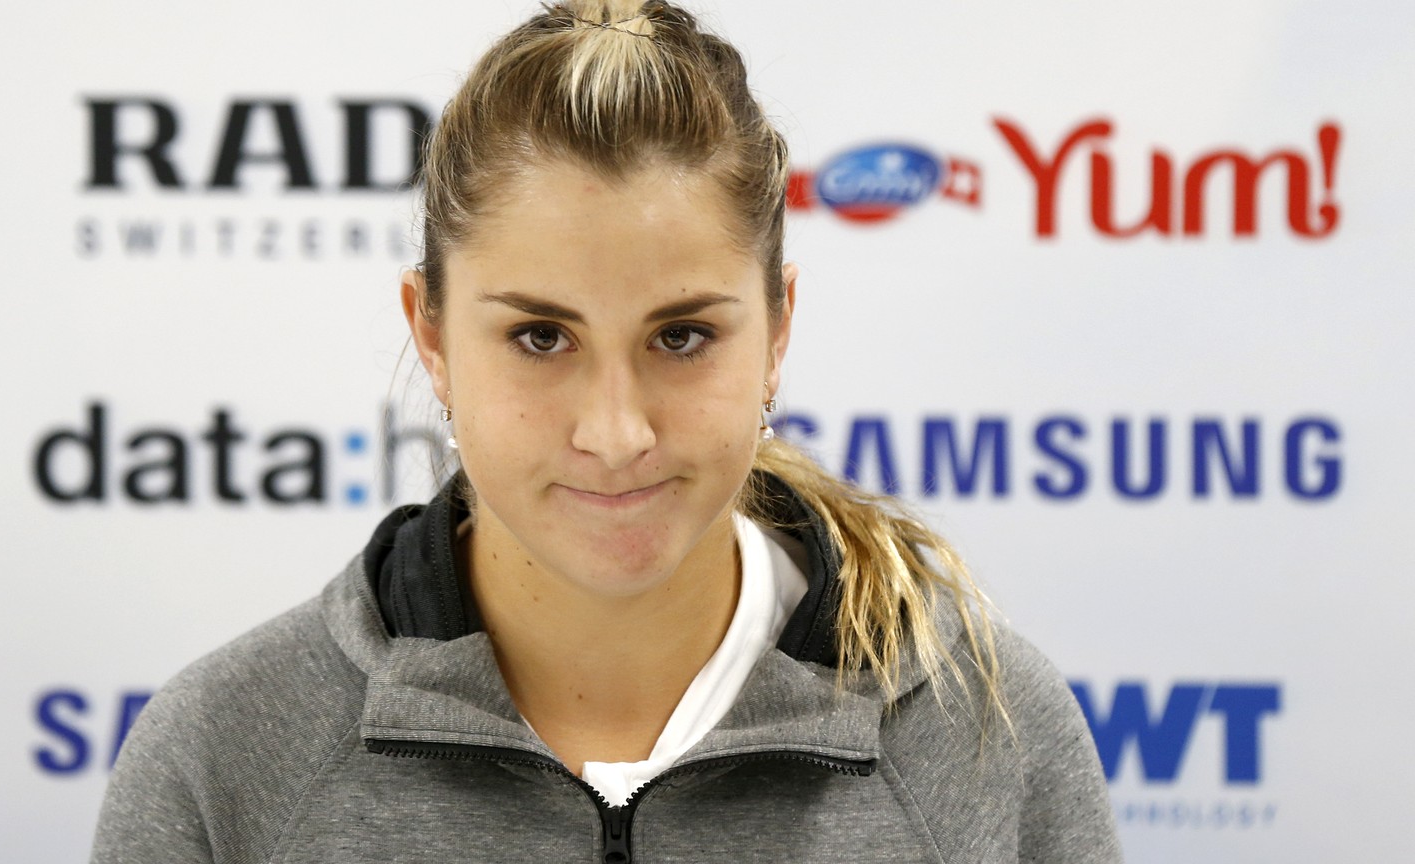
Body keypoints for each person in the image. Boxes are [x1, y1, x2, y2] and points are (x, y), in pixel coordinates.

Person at [91, 2, 1121, 861]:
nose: (617, 431)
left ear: (778, 331)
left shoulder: (988, 737)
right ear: (434, 335)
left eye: (681, 337)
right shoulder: (224, 758)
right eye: (541, 337)